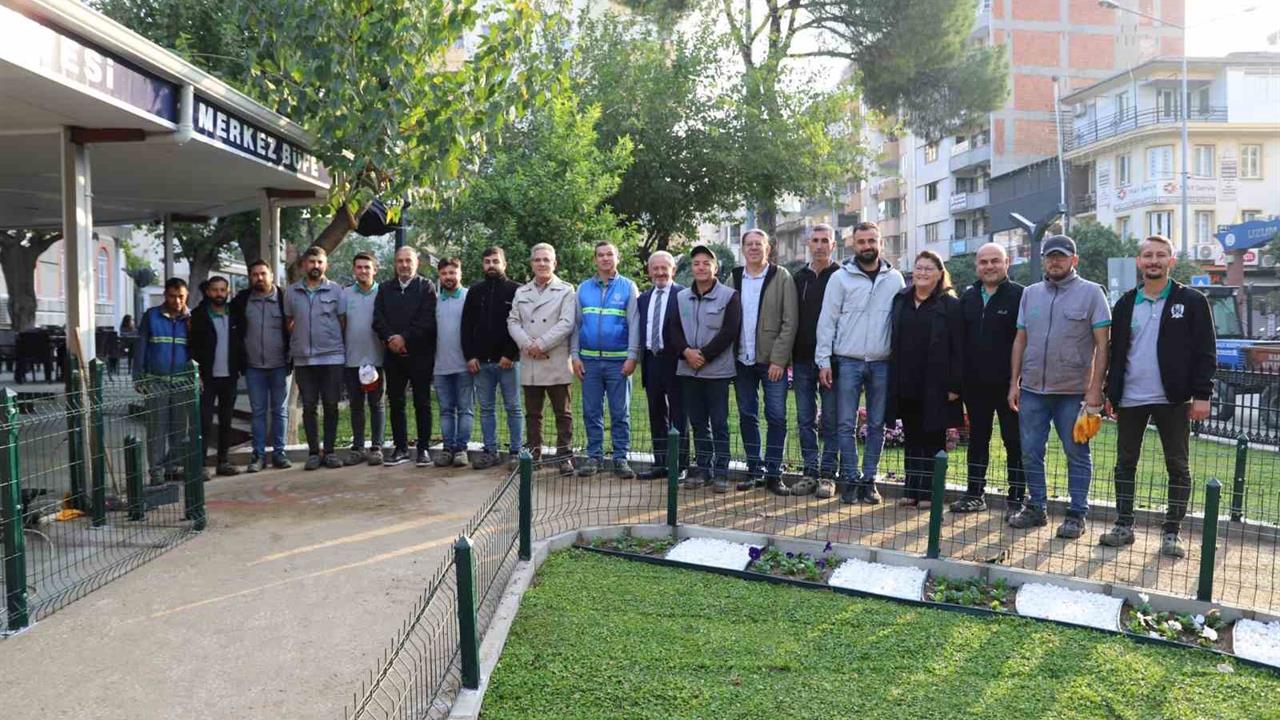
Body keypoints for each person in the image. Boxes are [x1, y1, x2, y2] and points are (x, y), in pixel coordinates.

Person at [1100, 235, 1216, 558]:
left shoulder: (1191, 301)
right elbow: (1116, 351)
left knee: (1177, 465)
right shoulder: (1124, 303)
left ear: (1171, 261)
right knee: (1125, 463)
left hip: (1174, 399)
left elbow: (1205, 351)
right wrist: (1112, 392)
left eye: (1160, 255)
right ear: (1139, 261)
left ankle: (1172, 532)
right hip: (1131, 398)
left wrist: (1202, 394)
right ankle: (1124, 525)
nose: (1154, 261)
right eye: (1148, 255)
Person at [1008, 234, 1111, 539]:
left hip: (1074, 394)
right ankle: (1036, 508)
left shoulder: (1092, 293)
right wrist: (1013, 382)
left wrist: (1095, 390)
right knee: (1029, 451)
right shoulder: (1030, 294)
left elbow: (1103, 346)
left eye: (1061, 256)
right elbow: (1020, 339)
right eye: (1050, 256)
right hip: (1033, 392)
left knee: (1076, 453)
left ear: (1073, 260)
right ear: (1043, 260)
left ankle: (1077, 514)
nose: (1055, 261)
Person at [815, 221, 905, 505]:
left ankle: (869, 480)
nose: (867, 246)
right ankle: (850, 479)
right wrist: (823, 361)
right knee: (844, 424)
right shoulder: (840, 278)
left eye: (871, 241)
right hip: (848, 361)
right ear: (853, 244)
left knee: (877, 425)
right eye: (861, 241)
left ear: (881, 243)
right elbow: (827, 321)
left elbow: (900, 322)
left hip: (882, 362)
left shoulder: (895, 279)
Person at [952, 243, 1025, 517]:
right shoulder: (968, 297)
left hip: (1010, 387)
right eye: (984, 262)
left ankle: (1017, 498)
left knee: (1014, 441)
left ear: (1007, 263)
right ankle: (974, 494)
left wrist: (1017, 382)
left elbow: (1026, 340)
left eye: (995, 261)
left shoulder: (1020, 296)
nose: (989, 266)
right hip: (975, 386)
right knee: (978, 441)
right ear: (977, 266)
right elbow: (959, 342)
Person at [887, 252, 963, 508]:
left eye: (928, 269)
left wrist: (954, 385)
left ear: (940, 273)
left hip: (936, 384)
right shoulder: (901, 300)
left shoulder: (950, 305)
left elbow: (958, 348)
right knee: (912, 437)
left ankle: (930, 493)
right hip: (906, 381)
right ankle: (911, 489)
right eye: (918, 268)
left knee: (932, 438)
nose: (922, 273)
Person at [665, 244, 742, 493]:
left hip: (717, 371)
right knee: (697, 423)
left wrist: (705, 356)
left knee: (719, 422)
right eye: (696, 263)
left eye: (706, 263)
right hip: (688, 370)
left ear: (715, 268)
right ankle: (702, 469)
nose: (700, 267)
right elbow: (673, 329)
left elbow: (730, 331)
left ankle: (721, 471)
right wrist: (687, 353)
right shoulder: (680, 297)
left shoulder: (729, 296)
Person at [730, 229, 797, 495]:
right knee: (747, 415)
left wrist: (779, 360)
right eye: (749, 244)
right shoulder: (734, 277)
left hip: (772, 362)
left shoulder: (781, 277)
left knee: (776, 416)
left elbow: (789, 322)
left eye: (759, 244)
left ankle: (773, 473)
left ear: (768, 248)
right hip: (741, 360)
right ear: (743, 249)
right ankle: (753, 470)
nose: (754, 248)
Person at [571, 242, 641, 479]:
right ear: (595, 260)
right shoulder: (582, 289)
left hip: (618, 363)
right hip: (588, 362)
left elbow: (635, 324)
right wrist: (575, 356)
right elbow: (576, 326)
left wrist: (632, 356)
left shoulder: (628, 287)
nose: (605, 259)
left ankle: (620, 458)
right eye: (600, 255)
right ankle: (594, 457)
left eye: (609, 254)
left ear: (617, 258)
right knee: (591, 411)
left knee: (620, 413)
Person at [507, 243, 578, 476]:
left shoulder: (566, 290)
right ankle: (533, 456)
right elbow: (513, 322)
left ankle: (565, 456)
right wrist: (528, 345)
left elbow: (567, 323)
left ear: (554, 263)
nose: (542, 264)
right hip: (531, 360)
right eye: (537, 260)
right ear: (531, 264)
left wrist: (542, 344)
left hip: (555, 358)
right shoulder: (522, 292)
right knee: (533, 414)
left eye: (546, 260)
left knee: (563, 413)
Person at [284, 245, 348, 471]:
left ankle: (329, 452)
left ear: (326, 265)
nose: (315, 266)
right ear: (304, 265)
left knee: (331, 405)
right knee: (309, 406)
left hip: (331, 357)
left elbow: (342, 322)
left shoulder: (337, 291)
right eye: (311, 262)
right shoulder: (291, 292)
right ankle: (313, 452)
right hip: (303, 359)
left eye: (320, 262)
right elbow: (288, 322)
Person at [373, 246, 438, 467]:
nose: (404, 265)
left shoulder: (426, 287)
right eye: (400, 261)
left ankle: (423, 449)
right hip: (393, 357)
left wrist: (404, 338)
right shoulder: (384, 289)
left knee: (422, 402)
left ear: (416, 263)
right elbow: (378, 319)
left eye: (408, 261)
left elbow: (427, 320)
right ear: (395, 264)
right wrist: (391, 338)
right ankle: (400, 448)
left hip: (420, 355)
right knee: (396, 402)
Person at [461, 246, 524, 470]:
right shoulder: (475, 292)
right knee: (486, 409)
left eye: (495, 261)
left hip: (508, 362)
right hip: (481, 363)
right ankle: (491, 451)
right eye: (487, 262)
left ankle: (516, 452)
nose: (491, 265)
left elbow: (520, 325)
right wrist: (469, 356)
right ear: (482, 265)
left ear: (504, 264)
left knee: (513, 407)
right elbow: (466, 327)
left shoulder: (516, 290)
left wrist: (510, 354)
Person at [791, 224, 840, 498]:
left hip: (832, 362)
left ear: (833, 245)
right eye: (815, 240)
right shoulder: (798, 278)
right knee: (804, 419)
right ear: (808, 244)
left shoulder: (842, 276)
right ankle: (810, 472)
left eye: (825, 240)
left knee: (831, 419)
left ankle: (828, 475)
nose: (820, 245)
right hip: (800, 359)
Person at [230, 259, 292, 473]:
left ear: (272, 276)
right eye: (255, 274)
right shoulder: (242, 301)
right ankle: (258, 455)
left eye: (263, 274)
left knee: (280, 411)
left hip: (280, 365)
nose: (259, 278)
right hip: (253, 366)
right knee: (257, 411)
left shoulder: (284, 298)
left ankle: (279, 453)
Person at [133, 278, 192, 484]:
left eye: (181, 297)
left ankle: (173, 467)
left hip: (182, 383)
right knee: (156, 429)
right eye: (173, 296)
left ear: (187, 296)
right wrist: (138, 377)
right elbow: (140, 348)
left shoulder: (190, 319)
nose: (177, 301)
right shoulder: (152, 317)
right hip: (156, 382)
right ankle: (156, 472)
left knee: (179, 429)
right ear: (165, 296)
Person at [636, 251, 688, 480]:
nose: (659, 272)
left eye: (664, 267)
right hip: (651, 361)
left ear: (673, 270)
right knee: (656, 414)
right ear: (649, 271)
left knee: (679, 414)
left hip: (676, 361)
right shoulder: (643, 298)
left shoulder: (683, 295)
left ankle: (680, 465)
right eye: (655, 268)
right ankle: (660, 463)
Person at [188, 275, 240, 477]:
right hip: (207, 378)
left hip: (230, 376)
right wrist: (197, 374)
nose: (218, 294)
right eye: (215, 290)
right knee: (204, 421)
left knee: (226, 421)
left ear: (227, 292)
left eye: (222, 290)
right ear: (208, 292)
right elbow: (192, 347)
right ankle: (200, 465)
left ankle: (223, 462)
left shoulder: (234, 314)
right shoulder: (199, 315)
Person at [342, 252, 385, 466]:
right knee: (356, 405)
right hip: (352, 359)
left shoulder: (384, 293)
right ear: (354, 270)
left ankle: (376, 446)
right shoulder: (345, 294)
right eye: (359, 267)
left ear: (375, 270)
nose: (363, 271)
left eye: (367, 267)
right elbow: (340, 324)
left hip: (377, 359)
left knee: (376, 405)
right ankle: (358, 446)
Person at [434, 257, 473, 468]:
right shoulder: (435, 301)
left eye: (452, 273)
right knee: (446, 410)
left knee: (465, 409)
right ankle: (448, 448)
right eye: (444, 274)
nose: (448, 277)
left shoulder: (469, 297)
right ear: (440, 276)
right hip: (440, 366)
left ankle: (462, 449)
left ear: (460, 273)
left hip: (465, 365)